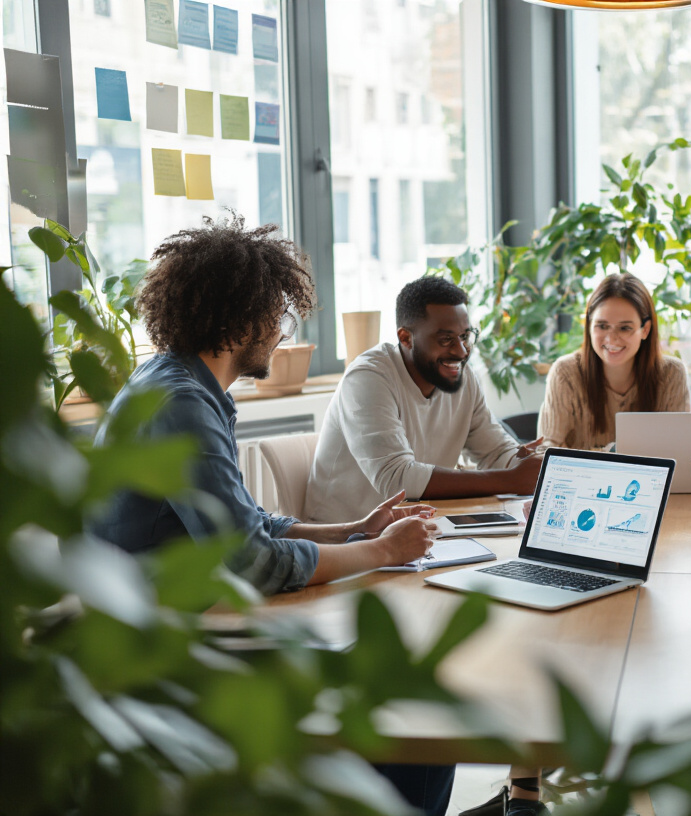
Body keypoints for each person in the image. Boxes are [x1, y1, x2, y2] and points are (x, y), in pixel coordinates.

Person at [86, 215, 454, 815]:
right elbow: (252, 560)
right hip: (166, 652)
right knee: (415, 703)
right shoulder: (181, 402)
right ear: (239, 320)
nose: (281, 335)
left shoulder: (183, 385)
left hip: (188, 620)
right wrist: (384, 552)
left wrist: (353, 530)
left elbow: (248, 524)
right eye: (276, 319)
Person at [304, 276, 543, 522]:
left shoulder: (463, 378)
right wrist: (511, 479)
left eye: (465, 336)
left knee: (521, 553)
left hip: (420, 532)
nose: (461, 351)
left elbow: (494, 452)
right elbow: (398, 479)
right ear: (405, 338)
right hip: (346, 538)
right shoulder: (368, 377)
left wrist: (524, 463)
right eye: (446, 340)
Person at [538, 273, 690, 450]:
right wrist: (613, 452)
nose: (611, 339)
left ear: (645, 330)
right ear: (588, 326)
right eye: (602, 326)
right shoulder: (565, 373)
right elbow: (544, 453)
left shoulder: (672, 373)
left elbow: (678, 450)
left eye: (625, 328)